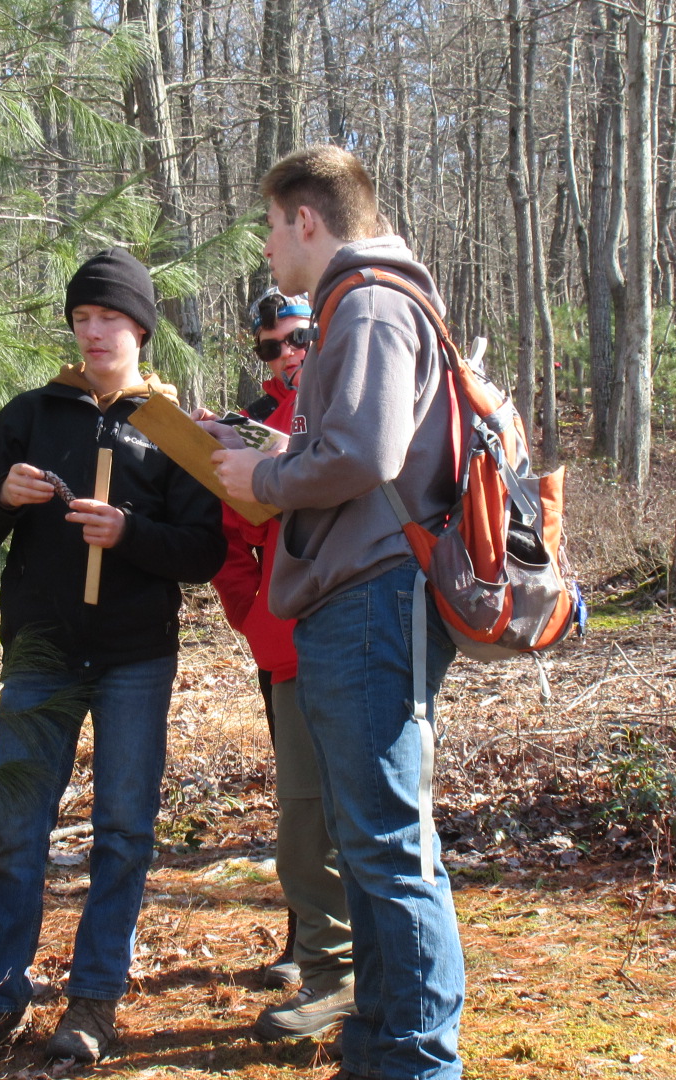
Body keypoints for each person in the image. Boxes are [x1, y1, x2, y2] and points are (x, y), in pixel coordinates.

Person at [0, 248, 226, 1065]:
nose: (94, 332)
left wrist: (128, 533)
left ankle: (94, 1002)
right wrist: (2, 497)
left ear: (141, 328)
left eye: (110, 318)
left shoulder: (169, 428)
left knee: (123, 832)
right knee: (13, 831)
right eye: (82, 318)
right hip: (42, 654)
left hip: (135, 659)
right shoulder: (31, 415)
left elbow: (203, 551)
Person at [213, 146, 464, 1080]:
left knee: (390, 845)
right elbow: (356, 448)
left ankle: (418, 1058)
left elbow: (365, 453)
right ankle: (382, 1044)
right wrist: (256, 448)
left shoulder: (368, 303)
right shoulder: (358, 306)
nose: (267, 247)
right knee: (369, 842)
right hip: (359, 597)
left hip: (371, 599)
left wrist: (265, 478)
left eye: (272, 227)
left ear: (307, 220)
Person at [207, 288, 356, 1041]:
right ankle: (309, 950)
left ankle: (364, 966)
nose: (287, 354)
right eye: (272, 347)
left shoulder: (349, 400)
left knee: (357, 805)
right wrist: (253, 614)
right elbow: (230, 544)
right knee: (301, 804)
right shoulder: (248, 426)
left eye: (299, 339)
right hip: (282, 644)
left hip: (357, 631)